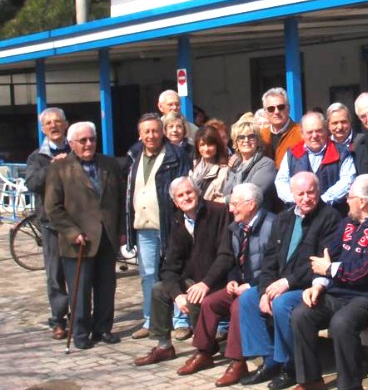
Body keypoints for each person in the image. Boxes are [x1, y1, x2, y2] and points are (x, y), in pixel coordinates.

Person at [288, 174, 368, 390]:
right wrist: (318, 284)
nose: (346, 201)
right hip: (337, 290)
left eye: (350, 197)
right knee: (301, 314)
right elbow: (328, 253)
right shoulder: (347, 223)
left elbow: (366, 270)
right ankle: (309, 380)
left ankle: (352, 387)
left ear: (364, 202)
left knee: (341, 323)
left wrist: (330, 270)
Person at [236, 172, 340, 388]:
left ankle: (292, 365)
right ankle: (269, 361)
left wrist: (288, 282)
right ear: (291, 194)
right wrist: (265, 291)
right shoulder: (283, 218)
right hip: (280, 283)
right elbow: (270, 258)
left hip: (309, 286)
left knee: (282, 304)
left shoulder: (329, 217)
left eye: (310, 192)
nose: (306, 198)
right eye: (300, 193)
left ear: (318, 191)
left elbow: (320, 262)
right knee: (247, 299)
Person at [176, 183, 274, 386]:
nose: (230, 209)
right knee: (210, 302)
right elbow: (233, 260)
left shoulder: (272, 225)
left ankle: (238, 362)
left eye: (235, 204)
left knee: (240, 305)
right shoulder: (236, 227)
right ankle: (204, 351)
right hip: (240, 284)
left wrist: (250, 285)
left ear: (251, 204)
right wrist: (232, 279)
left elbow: (275, 266)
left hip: (263, 285)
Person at [133, 177, 234, 366]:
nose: (186, 197)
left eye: (189, 192)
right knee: (158, 289)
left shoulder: (218, 212)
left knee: (194, 293)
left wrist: (206, 283)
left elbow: (226, 255)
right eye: (180, 195)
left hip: (218, 279)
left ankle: (204, 349)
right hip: (192, 279)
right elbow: (170, 266)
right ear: (175, 201)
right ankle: (164, 347)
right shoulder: (178, 221)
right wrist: (176, 294)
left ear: (198, 192)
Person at [44, 121, 125, 349]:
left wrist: (120, 231)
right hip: (78, 241)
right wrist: (72, 232)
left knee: (106, 287)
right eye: (83, 140)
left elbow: (119, 201)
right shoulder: (59, 169)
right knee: (80, 290)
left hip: (107, 237)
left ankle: (103, 328)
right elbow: (53, 208)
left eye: (92, 139)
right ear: (71, 144)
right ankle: (80, 332)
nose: (89, 144)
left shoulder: (109, 164)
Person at [126, 113, 190, 339]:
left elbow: (183, 188)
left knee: (174, 271)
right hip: (143, 225)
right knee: (148, 274)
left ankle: (180, 320)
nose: (151, 135)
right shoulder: (133, 156)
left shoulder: (176, 154)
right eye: (147, 132)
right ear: (140, 135)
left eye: (155, 130)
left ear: (162, 131)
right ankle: (150, 319)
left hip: (169, 224)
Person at [25, 107, 70, 339]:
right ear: (43, 128)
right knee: (55, 274)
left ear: (65, 125)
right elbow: (32, 183)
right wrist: (53, 167)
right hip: (51, 224)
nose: (53, 126)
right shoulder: (37, 157)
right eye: (48, 123)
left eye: (57, 122)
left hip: (77, 223)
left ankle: (81, 316)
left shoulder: (77, 148)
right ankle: (59, 319)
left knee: (79, 273)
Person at [274, 112, 356, 210]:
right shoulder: (291, 153)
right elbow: (281, 181)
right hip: (299, 213)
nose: (314, 135)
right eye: (309, 132)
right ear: (302, 134)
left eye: (319, 131)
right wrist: (298, 201)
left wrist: (322, 201)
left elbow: (348, 181)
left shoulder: (342, 153)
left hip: (332, 214)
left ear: (326, 131)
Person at [223, 118, 277, 207]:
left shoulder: (266, 164)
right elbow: (226, 191)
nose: (246, 140)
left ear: (258, 140)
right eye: (241, 137)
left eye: (251, 137)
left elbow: (252, 195)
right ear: (236, 142)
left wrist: (225, 200)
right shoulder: (234, 165)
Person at [259, 87, 303, 167]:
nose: (276, 112)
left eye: (281, 107)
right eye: (271, 109)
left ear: (288, 109)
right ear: (265, 112)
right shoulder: (260, 136)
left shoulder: (301, 133)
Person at [189, 125, 228, 203]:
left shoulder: (224, 171)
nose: (206, 149)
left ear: (217, 145)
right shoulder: (194, 166)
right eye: (202, 145)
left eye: (210, 144)